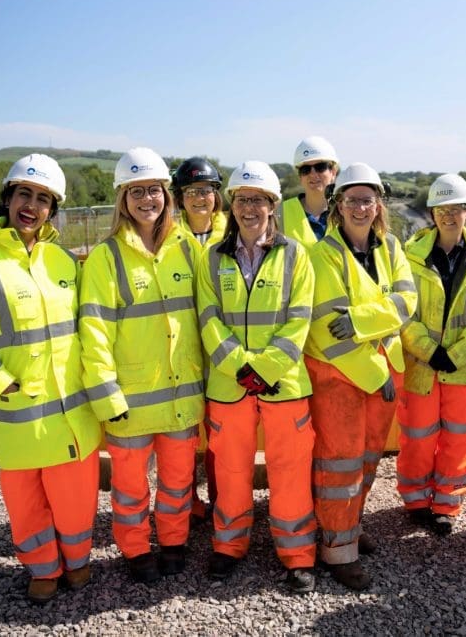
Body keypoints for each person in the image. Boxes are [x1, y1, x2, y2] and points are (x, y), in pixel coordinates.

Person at [0, 154, 102, 604]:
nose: (32, 206)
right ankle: (43, 568)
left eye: (44, 199)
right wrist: (1, 383)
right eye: (24, 194)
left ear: (53, 209)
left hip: (74, 413)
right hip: (18, 414)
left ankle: (79, 559)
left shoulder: (66, 263)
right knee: (27, 502)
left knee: (76, 497)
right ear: (8, 198)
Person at [79, 147, 205, 583]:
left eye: (153, 189)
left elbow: (205, 317)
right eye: (136, 191)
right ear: (122, 199)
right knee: (131, 489)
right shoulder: (106, 258)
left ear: (167, 195)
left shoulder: (187, 250)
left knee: (176, 483)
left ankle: (173, 542)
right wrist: (105, 393)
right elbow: (93, 331)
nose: (146, 199)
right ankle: (135, 549)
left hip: (181, 396)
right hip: (128, 402)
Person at [195, 160, 318, 594]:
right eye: (242, 199)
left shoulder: (295, 255)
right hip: (230, 388)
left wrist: (263, 369)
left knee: (290, 472)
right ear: (232, 205)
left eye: (259, 200)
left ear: (273, 205)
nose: (250, 208)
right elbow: (207, 316)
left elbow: (300, 317)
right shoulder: (213, 257)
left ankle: (298, 555)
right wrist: (240, 367)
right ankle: (229, 548)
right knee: (229, 472)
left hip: (283, 385)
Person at [305, 162, 417, 590]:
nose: (360, 207)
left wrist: (361, 319)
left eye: (367, 199)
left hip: (384, 373)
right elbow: (328, 327)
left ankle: (350, 525)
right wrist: (374, 373)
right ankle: (336, 549)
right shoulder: (322, 256)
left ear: (378, 205)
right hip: (340, 377)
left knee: (367, 459)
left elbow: (407, 302)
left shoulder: (389, 247)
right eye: (351, 199)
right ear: (338, 206)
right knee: (339, 467)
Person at [397, 174, 466, 536]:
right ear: (431, 213)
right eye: (443, 209)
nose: (450, 216)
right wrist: (428, 350)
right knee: (417, 437)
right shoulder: (410, 255)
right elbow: (403, 310)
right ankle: (416, 500)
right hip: (422, 365)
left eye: (457, 209)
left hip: (465, 367)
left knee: (459, 439)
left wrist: (454, 354)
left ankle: (446, 504)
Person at [170, 156, 227, 523]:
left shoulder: (234, 232)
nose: (199, 198)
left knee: (222, 438)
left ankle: (224, 502)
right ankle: (187, 505)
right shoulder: (168, 237)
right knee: (185, 435)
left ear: (216, 195)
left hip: (224, 348)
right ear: (179, 198)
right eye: (191, 191)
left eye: (206, 190)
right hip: (182, 349)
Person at [280, 135, 339, 248]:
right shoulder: (280, 214)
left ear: (333, 172)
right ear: (300, 176)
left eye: (320, 167)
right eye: (305, 169)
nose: (312, 174)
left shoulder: (348, 212)